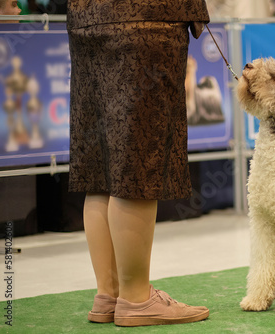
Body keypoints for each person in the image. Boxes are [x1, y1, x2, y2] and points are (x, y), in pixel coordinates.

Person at [67, 0, 210, 327]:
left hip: (88, 18)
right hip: (147, 18)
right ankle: (136, 298)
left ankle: (109, 294)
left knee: (100, 165)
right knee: (138, 158)